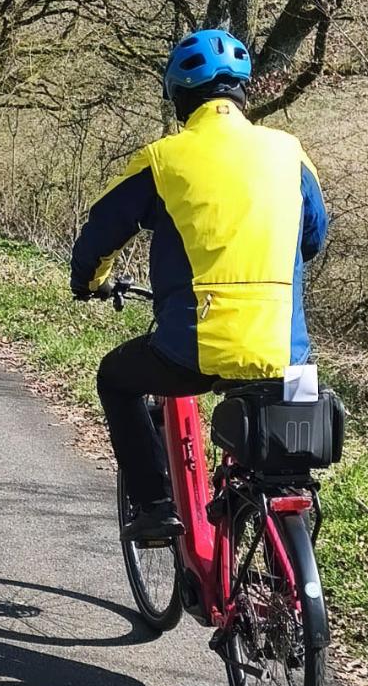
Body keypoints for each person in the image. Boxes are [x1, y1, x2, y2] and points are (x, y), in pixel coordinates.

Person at [69, 29, 328, 542]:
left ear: (181, 98)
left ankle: (154, 506)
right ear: (242, 93)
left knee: (116, 378)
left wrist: (90, 283)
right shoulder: (289, 152)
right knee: (284, 468)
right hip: (288, 351)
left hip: (190, 351)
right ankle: (278, 554)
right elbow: (314, 236)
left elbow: (99, 235)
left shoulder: (163, 159)